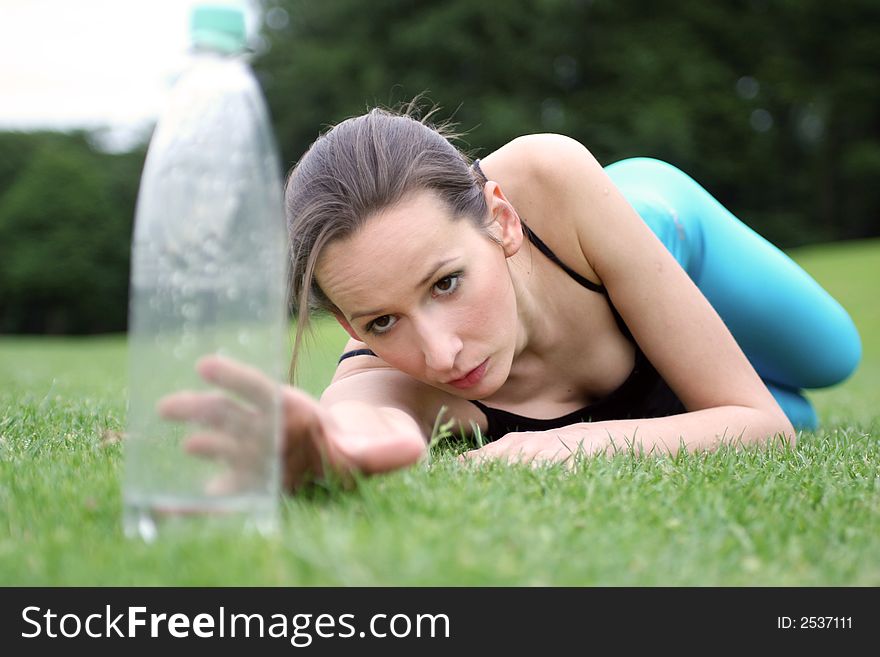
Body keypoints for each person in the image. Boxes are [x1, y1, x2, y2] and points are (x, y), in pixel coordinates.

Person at [159, 105, 862, 492]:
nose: (440, 352)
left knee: (834, 355)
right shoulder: (383, 372)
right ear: (348, 323)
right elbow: (361, 430)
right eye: (382, 319)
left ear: (500, 217)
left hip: (664, 232)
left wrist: (555, 447)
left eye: (447, 282)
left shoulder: (547, 173)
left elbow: (752, 422)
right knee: (799, 417)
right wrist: (327, 450)